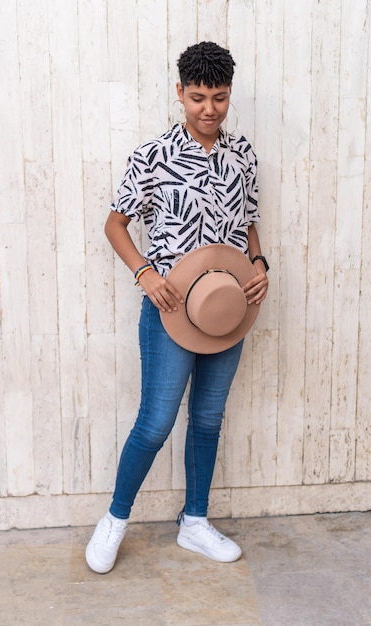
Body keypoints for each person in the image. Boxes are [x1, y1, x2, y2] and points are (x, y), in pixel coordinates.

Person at [86, 41, 269, 574]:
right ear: (179, 94)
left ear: (229, 95)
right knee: (156, 421)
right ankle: (115, 521)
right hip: (170, 311)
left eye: (219, 97)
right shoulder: (153, 156)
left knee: (208, 419)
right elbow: (115, 223)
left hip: (229, 309)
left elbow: (249, 218)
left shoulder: (243, 155)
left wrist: (259, 263)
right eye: (197, 97)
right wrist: (145, 273)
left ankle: (195, 522)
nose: (208, 109)